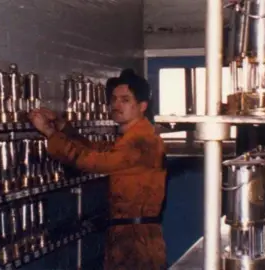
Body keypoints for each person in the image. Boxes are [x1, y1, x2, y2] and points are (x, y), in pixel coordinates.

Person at [28, 69, 167, 269]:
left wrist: (49, 133)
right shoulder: (132, 138)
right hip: (127, 235)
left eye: (125, 100)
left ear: (142, 106)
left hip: (137, 242)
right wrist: (61, 125)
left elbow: (92, 161)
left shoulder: (141, 143)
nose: (116, 105)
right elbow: (96, 149)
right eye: (114, 99)